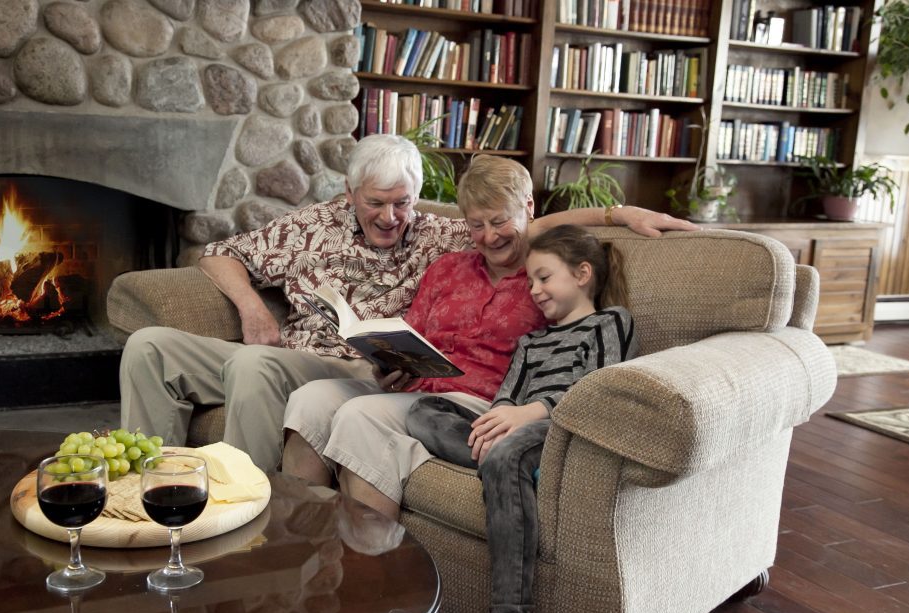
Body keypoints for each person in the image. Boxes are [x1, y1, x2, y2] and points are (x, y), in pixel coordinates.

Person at [121, 135, 692, 471]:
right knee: (150, 347)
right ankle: (144, 489)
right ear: (350, 195)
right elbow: (220, 253)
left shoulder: (446, 237)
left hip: (350, 365)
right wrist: (252, 308)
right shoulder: (312, 225)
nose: (392, 218)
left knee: (252, 363)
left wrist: (620, 215)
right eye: (377, 204)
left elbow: (523, 224)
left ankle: (230, 506)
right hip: (287, 350)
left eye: (404, 203)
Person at [279, 156, 666, 518]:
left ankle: (374, 571)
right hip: (414, 389)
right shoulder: (449, 267)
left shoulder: (548, 280)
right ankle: (302, 543)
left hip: (476, 402)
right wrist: (390, 366)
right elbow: (413, 334)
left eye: (499, 221)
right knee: (310, 399)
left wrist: (618, 213)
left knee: (358, 415)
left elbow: (577, 348)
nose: (489, 236)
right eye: (476, 225)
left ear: (529, 209)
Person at [406, 224, 637, 613]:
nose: (533, 290)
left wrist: (532, 412)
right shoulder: (530, 343)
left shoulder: (610, 321)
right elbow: (505, 396)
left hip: (563, 429)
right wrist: (496, 419)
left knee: (509, 448)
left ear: (582, 274)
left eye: (544, 277)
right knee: (422, 412)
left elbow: (597, 390)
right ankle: (510, 472)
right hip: (517, 432)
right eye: (530, 281)